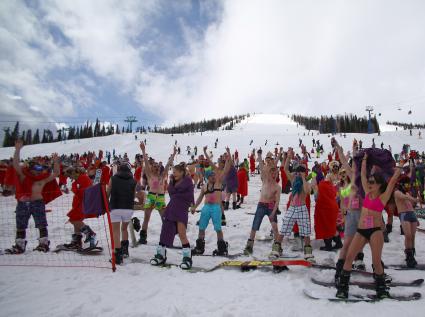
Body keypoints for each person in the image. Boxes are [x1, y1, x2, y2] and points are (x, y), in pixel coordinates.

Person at [336, 153, 402, 299]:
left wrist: (399, 169)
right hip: (361, 231)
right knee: (349, 258)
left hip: (375, 232)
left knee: (376, 261)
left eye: (373, 182)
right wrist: (365, 160)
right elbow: (363, 176)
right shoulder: (366, 193)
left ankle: (381, 288)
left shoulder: (382, 197)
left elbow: (391, 183)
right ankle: (343, 287)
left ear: (379, 185)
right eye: (370, 181)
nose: (369, 183)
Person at [6, 140, 60, 254]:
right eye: (36, 169)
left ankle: (44, 243)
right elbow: (16, 164)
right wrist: (17, 149)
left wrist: (56, 162)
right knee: (20, 224)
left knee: (41, 223)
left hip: (38, 203)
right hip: (23, 203)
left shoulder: (43, 179)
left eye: (39, 169)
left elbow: (56, 173)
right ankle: (20, 244)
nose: (37, 171)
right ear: (30, 168)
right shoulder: (23, 176)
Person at [270, 148, 315, 262]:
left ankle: (308, 252)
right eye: (298, 171)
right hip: (292, 207)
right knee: (285, 227)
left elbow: (308, 191)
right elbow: (284, 169)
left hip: (302, 208)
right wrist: (288, 157)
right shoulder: (294, 179)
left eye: (301, 171)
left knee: (305, 231)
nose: (299, 173)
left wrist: (304, 178)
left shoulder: (307, 182)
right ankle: (276, 248)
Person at [151, 162, 194, 269]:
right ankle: (160, 255)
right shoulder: (172, 182)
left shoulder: (188, 181)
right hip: (171, 209)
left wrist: (192, 205)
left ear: (182, 172)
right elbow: (171, 194)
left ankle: (187, 258)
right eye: (173, 172)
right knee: (164, 232)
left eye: (176, 172)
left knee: (182, 234)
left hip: (181, 210)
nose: (173, 174)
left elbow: (189, 195)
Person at [243, 149, 281, 255]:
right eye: (272, 172)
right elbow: (260, 166)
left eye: (275, 173)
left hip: (271, 206)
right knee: (255, 226)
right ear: (268, 173)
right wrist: (259, 156)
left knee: (275, 227)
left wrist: (273, 212)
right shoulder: (264, 180)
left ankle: (277, 246)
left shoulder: (277, 187)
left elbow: (277, 201)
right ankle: (249, 246)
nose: (274, 174)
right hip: (261, 205)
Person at [138, 142, 176, 244]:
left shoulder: (162, 176)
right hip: (151, 196)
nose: (157, 167)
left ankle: (166, 237)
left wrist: (173, 154)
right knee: (147, 217)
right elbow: (146, 162)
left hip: (160, 197)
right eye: (154, 166)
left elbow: (168, 165)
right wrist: (143, 150)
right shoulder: (150, 175)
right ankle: (143, 236)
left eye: (158, 166)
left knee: (164, 218)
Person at [191, 170, 229, 256]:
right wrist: (194, 207)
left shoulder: (218, 184)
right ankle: (199, 248)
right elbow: (200, 198)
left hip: (216, 207)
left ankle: (222, 248)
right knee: (201, 227)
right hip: (206, 207)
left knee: (218, 228)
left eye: (214, 175)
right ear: (207, 177)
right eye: (211, 176)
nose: (213, 177)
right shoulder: (204, 187)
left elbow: (224, 171)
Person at [60, 166, 98, 251]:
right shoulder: (79, 179)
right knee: (75, 220)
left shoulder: (83, 178)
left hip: (82, 204)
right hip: (79, 203)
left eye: (70, 176)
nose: (70, 178)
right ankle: (77, 242)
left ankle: (90, 233)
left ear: (74, 172)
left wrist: (74, 189)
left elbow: (85, 192)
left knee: (74, 220)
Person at [107, 161, 137, 264]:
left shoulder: (113, 179)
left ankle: (118, 255)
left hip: (115, 207)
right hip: (128, 208)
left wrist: (105, 204)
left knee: (116, 231)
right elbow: (133, 196)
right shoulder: (133, 181)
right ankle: (125, 251)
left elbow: (108, 192)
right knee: (124, 229)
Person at [394, 175, 420, 267]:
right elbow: (405, 198)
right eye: (406, 184)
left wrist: (416, 218)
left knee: (412, 236)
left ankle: (412, 255)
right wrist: (414, 199)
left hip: (411, 214)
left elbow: (411, 205)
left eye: (409, 184)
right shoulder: (397, 192)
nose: (408, 186)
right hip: (404, 214)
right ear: (401, 184)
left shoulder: (407, 193)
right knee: (408, 235)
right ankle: (408, 256)